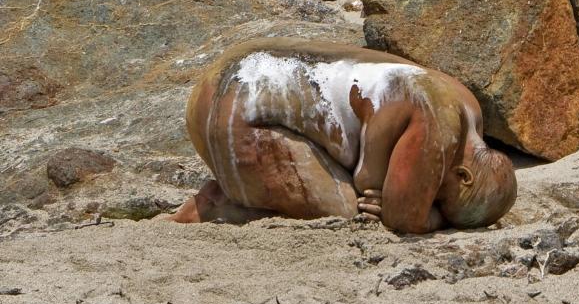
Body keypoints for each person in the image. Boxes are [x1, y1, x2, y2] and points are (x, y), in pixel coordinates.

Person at [170, 38, 517, 233]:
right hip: (240, 112)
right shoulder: (441, 130)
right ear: (463, 175)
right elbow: (401, 215)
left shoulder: (468, 105)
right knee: (348, 212)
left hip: (226, 79)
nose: (433, 196)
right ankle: (217, 208)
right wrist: (431, 217)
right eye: (443, 198)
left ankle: (232, 189)